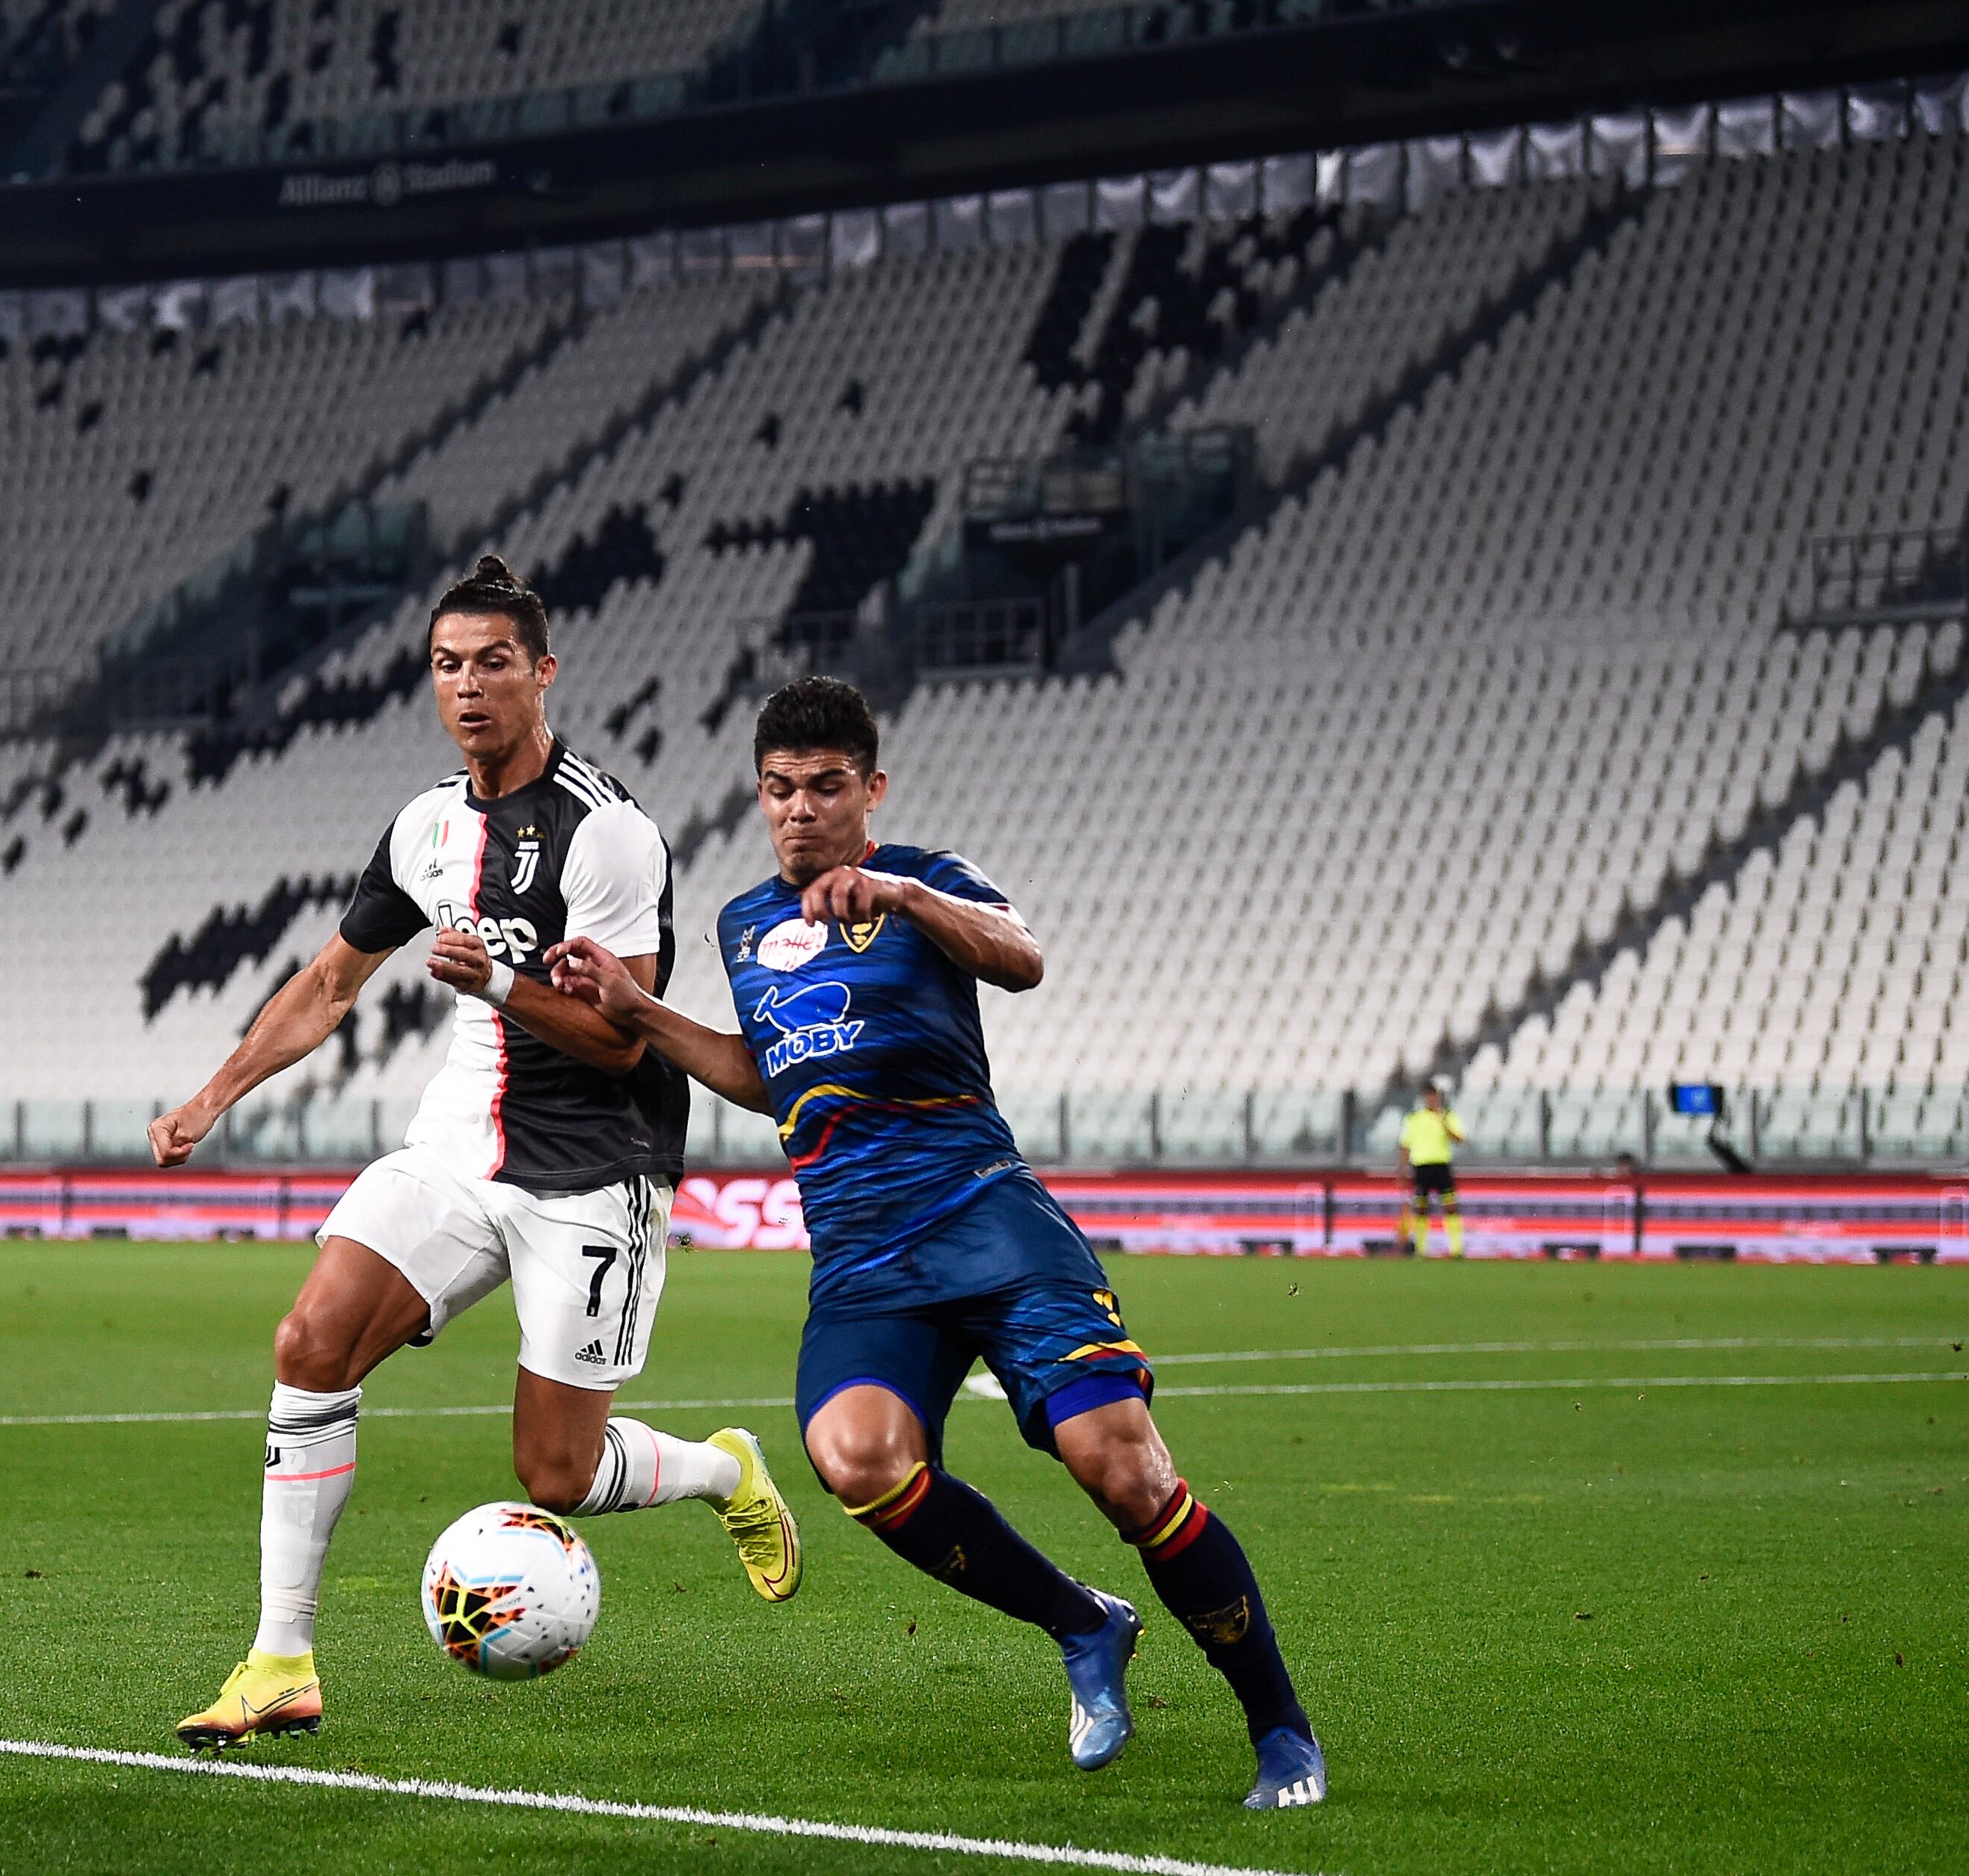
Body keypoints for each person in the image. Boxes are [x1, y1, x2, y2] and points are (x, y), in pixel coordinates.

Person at [547, 677, 1324, 1810]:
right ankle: (1082, 1623)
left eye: (824, 786)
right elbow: (773, 1078)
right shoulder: (743, 923)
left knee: (1122, 1466)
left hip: (985, 1217)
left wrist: (904, 895)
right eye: (778, 790)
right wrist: (636, 1008)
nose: (800, 809)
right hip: (860, 1254)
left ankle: (1280, 1731)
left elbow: (1022, 959)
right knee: (856, 1459)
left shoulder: (928, 882)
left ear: (871, 787)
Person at [150, 556, 799, 1750]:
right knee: (310, 1340)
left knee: (553, 1473)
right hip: (457, 1145)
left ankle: (721, 1472)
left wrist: (495, 976)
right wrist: (213, 1096)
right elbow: (331, 981)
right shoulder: (424, 827)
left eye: (492, 663)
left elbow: (620, 1043)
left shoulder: (607, 835)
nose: (467, 687)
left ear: (541, 673)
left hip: (599, 1165)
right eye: (447, 665)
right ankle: (279, 1659)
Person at [1398, 1083, 1465, 1258]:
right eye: (1428, 1096)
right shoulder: (1414, 1119)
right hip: (1421, 1166)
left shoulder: (1447, 1116)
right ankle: (1422, 1249)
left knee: (1451, 1207)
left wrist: (1443, 1122)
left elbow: (1459, 1139)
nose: (1431, 1099)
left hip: (1441, 1165)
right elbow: (1405, 1145)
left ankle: (1456, 1249)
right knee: (1420, 1208)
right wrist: (1402, 1169)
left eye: (1434, 1096)